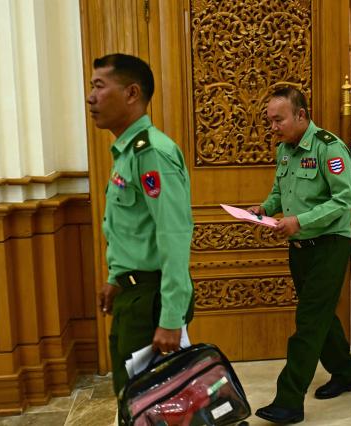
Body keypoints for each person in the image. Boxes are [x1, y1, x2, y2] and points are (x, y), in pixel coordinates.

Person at [87, 53, 194, 397]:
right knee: (134, 398)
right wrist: (115, 277)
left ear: (132, 93)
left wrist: (171, 318)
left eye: (100, 87)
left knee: (150, 403)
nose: (91, 97)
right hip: (133, 293)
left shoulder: (152, 153)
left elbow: (174, 235)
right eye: (91, 86)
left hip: (152, 300)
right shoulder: (128, 152)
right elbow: (132, 229)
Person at [250, 87, 351, 424]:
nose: (273, 127)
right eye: (269, 121)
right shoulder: (284, 151)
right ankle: (346, 372)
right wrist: (263, 209)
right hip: (299, 250)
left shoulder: (329, 147)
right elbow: (279, 192)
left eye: (278, 120)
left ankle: (289, 400)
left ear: (301, 115)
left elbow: (345, 200)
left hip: (329, 245)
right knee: (321, 316)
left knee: (308, 323)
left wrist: (300, 221)